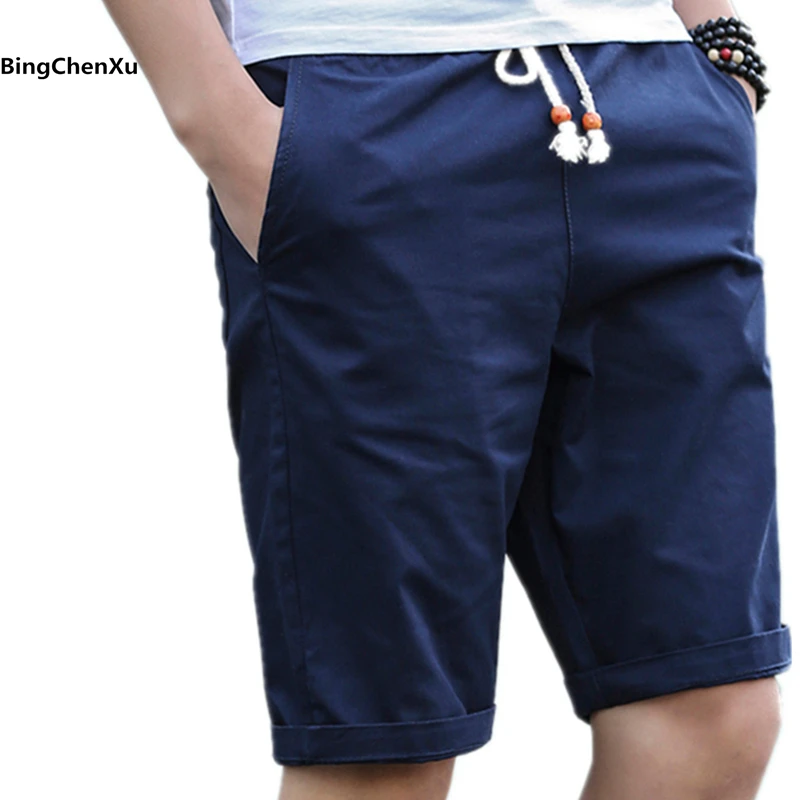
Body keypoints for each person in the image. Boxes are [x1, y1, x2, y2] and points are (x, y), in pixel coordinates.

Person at [100, 1, 792, 798]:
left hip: (653, 107)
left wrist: (718, 45)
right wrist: (221, 123)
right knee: (387, 748)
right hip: (366, 109)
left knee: (714, 706)